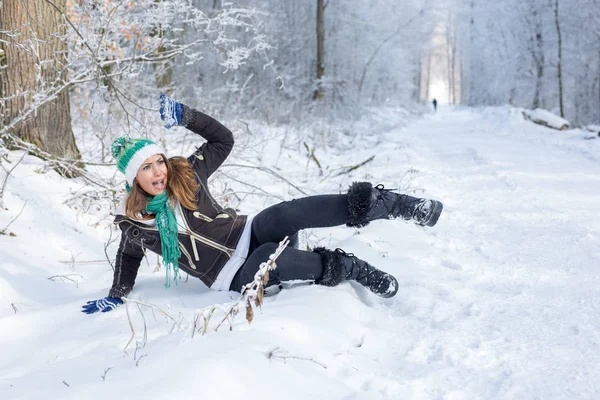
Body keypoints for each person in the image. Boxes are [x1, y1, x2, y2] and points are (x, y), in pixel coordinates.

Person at [81, 95, 444, 314]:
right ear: (135, 180)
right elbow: (128, 258)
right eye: (147, 167)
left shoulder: (187, 174)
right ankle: (353, 269)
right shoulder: (136, 224)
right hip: (230, 276)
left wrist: (186, 116)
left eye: (158, 160)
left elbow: (223, 140)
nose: (158, 170)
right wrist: (117, 295)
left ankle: (395, 205)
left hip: (245, 231)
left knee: (287, 213)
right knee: (270, 259)